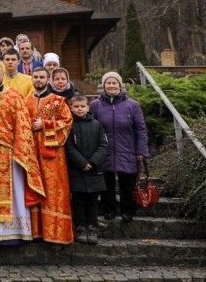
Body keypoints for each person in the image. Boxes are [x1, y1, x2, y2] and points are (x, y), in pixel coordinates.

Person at [0, 62, 44, 243]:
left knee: (14, 189)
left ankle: (16, 231)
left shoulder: (14, 97)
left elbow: (23, 126)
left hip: (10, 152)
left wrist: (21, 150)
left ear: (2, 74)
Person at [90, 71, 149, 223]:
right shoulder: (95, 105)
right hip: (103, 150)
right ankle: (108, 210)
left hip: (128, 149)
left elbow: (140, 129)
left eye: (114, 83)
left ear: (120, 85)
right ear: (103, 86)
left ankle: (127, 210)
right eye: (108, 83)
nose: (111, 85)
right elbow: (90, 127)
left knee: (127, 182)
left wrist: (141, 149)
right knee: (105, 182)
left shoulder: (133, 105)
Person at [25, 67, 73, 245]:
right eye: (36, 77)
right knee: (33, 188)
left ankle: (55, 233)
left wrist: (44, 124)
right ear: (32, 78)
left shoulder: (58, 101)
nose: (38, 80)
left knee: (54, 191)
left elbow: (67, 123)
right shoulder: (25, 101)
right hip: (31, 153)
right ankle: (36, 231)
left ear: (48, 79)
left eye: (42, 77)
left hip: (53, 156)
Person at [66, 94, 108, 245]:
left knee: (92, 201)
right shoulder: (69, 125)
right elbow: (68, 147)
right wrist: (82, 162)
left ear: (88, 108)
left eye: (82, 106)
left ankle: (92, 227)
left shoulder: (96, 125)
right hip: (77, 170)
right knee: (78, 201)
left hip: (94, 170)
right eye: (76, 107)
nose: (79, 109)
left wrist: (93, 162)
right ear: (71, 108)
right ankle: (81, 227)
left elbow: (103, 145)